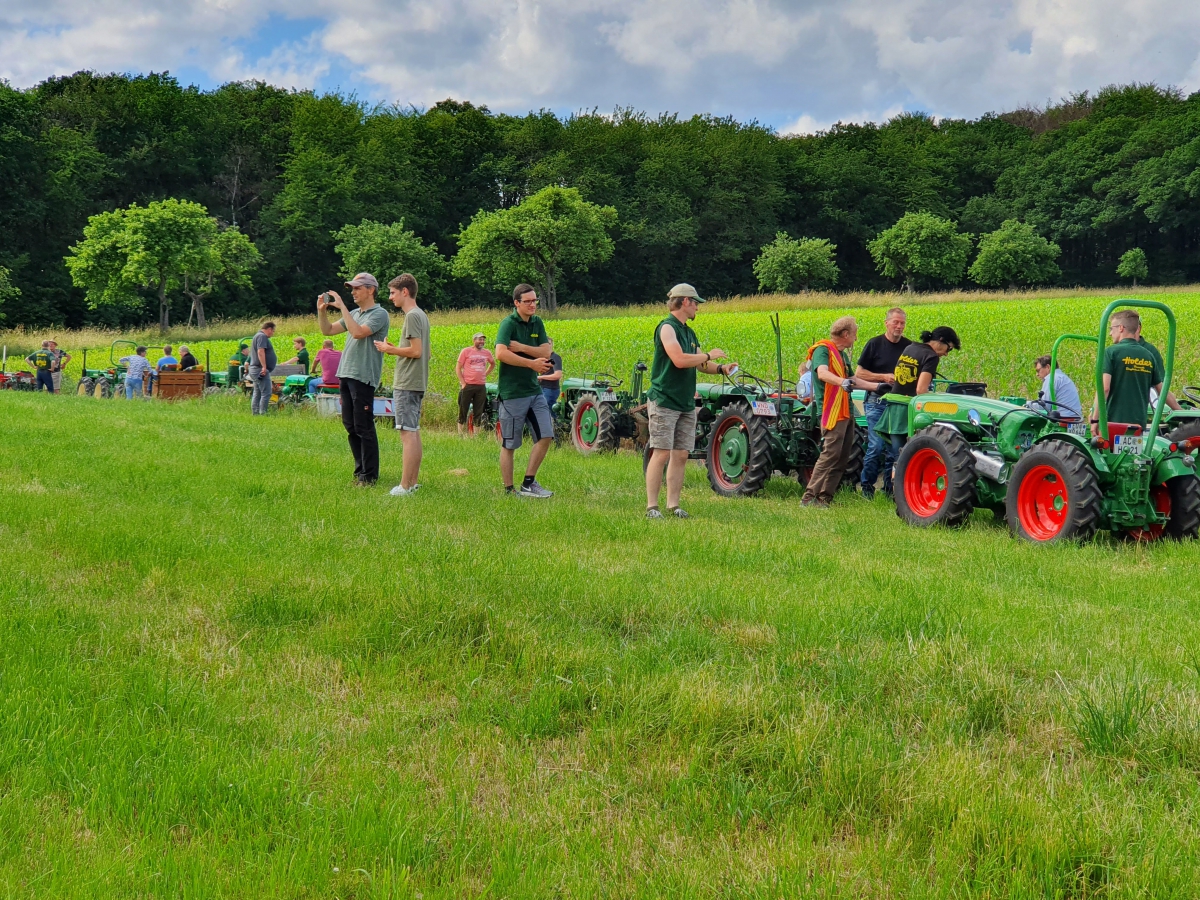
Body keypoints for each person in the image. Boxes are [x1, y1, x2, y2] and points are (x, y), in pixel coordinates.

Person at [644, 283, 736, 519]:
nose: (698, 307)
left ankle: (673, 506)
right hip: (665, 399)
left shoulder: (689, 332)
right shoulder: (667, 328)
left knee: (681, 454)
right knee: (661, 452)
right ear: (685, 302)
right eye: (696, 302)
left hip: (685, 401)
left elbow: (699, 363)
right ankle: (652, 507)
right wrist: (708, 355)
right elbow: (679, 359)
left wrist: (722, 368)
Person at [801, 317, 886, 508]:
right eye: (855, 334)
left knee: (842, 456)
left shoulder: (842, 355)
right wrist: (842, 382)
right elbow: (822, 373)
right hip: (832, 410)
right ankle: (808, 497)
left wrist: (877, 387)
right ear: (846, 334)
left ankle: (824, 499)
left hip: (846, 411)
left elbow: (852, 379)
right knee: (830, 454)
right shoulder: (823, 350)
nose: (856, 339)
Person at [319, 273, 391, 486]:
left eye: (357, 288)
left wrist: (341, 307)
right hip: (346, 374)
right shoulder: (354, 313)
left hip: (363, 375)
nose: (353, 292)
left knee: (363, 426)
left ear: (371, 290)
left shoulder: (379, 314)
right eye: (351, 288)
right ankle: (360, 472)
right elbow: (328, 330)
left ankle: (369, 476)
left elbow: (359, 333)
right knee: (350, 425)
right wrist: (321, 311)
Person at [496, 284, 555, 498]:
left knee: (546, 435)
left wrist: (521, 348)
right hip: (512, 393)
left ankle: (529, 483)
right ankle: (509, 489)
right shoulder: (508, 324)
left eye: (535, 301)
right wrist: (531, 363)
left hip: (534, 391)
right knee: (510, 443)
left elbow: (547, 350)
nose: (532, 305)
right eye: (528, 301)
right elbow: (501, 353)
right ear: (516, 303)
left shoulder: (537, 322)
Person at [375, 274, 429, 496]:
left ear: (405, 292)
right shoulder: (421, 315)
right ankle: (412, 483)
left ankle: (405, 486)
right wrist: (395, 348)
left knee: (407, 434)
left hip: (407, 382)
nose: (390, 297)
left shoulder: (412, 316)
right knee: (413, 432)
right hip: (416, 381)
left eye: (393, 292)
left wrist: (389, 350)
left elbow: (416, 351)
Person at [878, 326, 961, 453]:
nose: (946, 353)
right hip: (909, 413)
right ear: (941, 340)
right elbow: (921, 390)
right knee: (910, 458)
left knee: (897, 457)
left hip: (894, 410)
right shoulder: (931, 356)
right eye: (948, 348)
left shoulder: (910, 347)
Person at [854, 307, 906, 499]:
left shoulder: (908, 347)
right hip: (876, 400)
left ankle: (889, 489)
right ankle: (867, 487)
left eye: (902, 323)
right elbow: (859, 374)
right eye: (896, 322)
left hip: (898, 403)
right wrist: (883, 377)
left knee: (895, 450)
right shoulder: (874, 344)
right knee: (876, 447)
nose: (899, 326)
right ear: (887, 323)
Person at [1091, 309, 1167, 435]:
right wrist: (1179, 410)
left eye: (1111, 329)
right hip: (1138, 425)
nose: (1110, 333)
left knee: (1108, 454)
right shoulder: (1148, 355)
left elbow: (1104, 388)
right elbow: (1162, 391)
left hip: (1114, 423)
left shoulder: (1111, 352)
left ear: (1121, 328)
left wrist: (1095, 419)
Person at [456, 332, 494, 435]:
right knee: (463, 409)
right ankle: (460, 434)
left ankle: (476, 436)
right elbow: (458, 368)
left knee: (479, 411)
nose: (482, 342)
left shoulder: (487, 353)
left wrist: (485, 374)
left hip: (481, 386)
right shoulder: (466, 351)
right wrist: (463, 383)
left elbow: (492, 364)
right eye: (479, 339)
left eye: (483, 340)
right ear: (474, 340)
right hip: (468, 385)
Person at [1028, 355, 1082, 420]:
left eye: (1038, 370)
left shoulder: (1052, 379)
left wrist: (1026, 404)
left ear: (1048, 367)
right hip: (1076, 419)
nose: (1037, 374)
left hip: (1062, 419)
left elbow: (1043, 406)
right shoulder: (1064, 377)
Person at [248, 323, 277, 415]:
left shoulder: (257, 336)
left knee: (257, 392)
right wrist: (264, 367)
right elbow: (261, 351)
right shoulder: (262, 336)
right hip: (259, 369)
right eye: (273, 331)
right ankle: (263, 413)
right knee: (266, 393)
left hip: (255, 369)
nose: (272, 333)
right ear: (269, 329)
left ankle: (255, 413)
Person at [539, 338, 564, 416]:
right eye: (545, 344)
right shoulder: (549, 359)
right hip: (543, 388)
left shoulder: (555, 357)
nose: (547, 345)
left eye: (549, 343)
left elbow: (558, 375)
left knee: (547, 412)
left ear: (552, 345)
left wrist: (541, 377)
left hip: (550, 389)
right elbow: (552, 365)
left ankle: (556, 426)